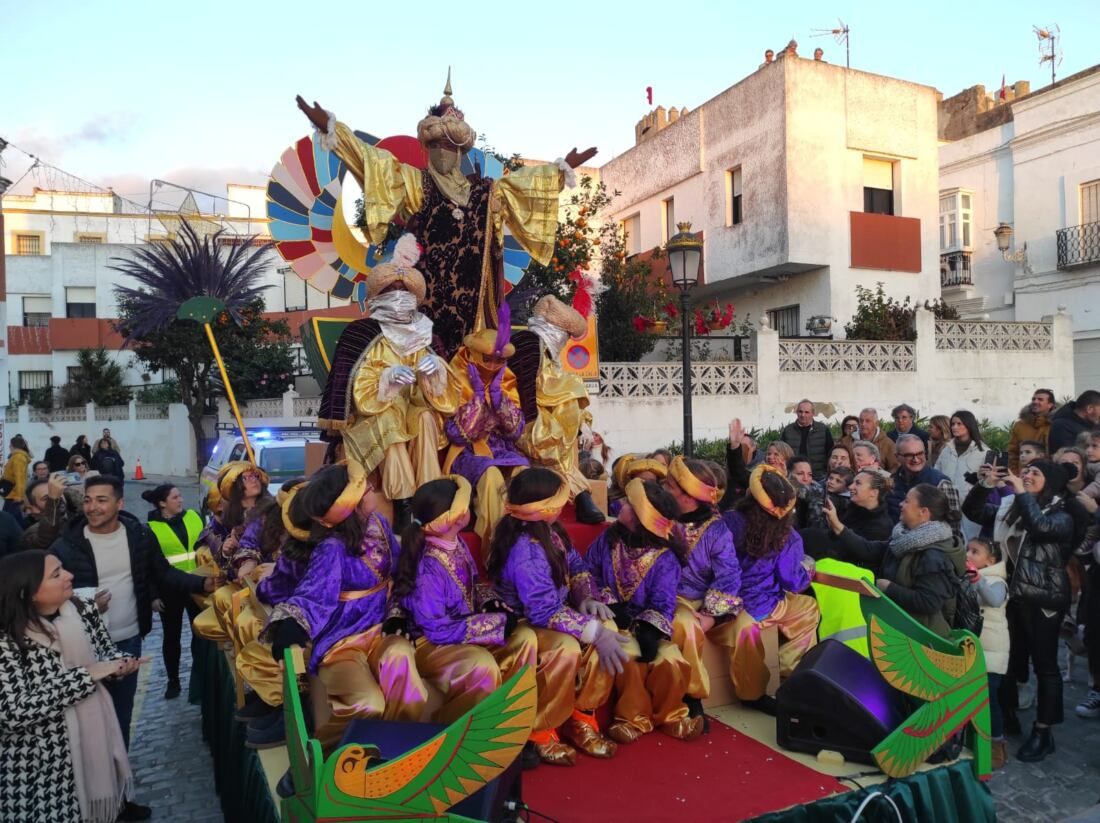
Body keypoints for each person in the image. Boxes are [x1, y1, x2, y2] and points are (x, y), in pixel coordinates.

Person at [296, 81, 595, 358]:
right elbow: (370, 161)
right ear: (427, 148)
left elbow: (526, 185)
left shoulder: (488, 191)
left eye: (450, 147)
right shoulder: (415, 182)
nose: (443, 152)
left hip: (477, 308)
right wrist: (333, 129)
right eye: (436, 145)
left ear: (461, 151)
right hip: (429, 306)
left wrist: (562, 169)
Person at [263, 463, 422, 750]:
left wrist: (398, 611)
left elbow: (397, 572)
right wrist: (293, 622)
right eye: (368, 488)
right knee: (367, 704)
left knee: (402, 660)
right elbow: (315, 591)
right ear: (354, 503)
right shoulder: (332, 547)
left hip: (380, 628)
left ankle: (397, 747)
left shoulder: (380, 524)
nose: (374, 488)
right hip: (344, 639)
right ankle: (320, 756)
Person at [50, 475, 214, 749]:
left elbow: (162, 573)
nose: (93, 507)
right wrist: (86, 605)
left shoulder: (138, 535)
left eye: (102, 500)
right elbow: (48, 589)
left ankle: (119, 781)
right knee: (88, 720)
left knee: (121, 716)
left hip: (128, 640)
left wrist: (202, 583)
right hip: (84, 645)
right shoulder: (68, 544)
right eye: (88, 500)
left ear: (119, 503)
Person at [0, 550, 152, 822]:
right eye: (57, 574)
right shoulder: (6, 641)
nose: (69, 576)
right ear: (28, 592)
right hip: (42, 765)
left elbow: (104, 651)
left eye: (64, 568)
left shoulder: (82, 608)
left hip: (96, 731)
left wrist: (119, 665)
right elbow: (11, 712)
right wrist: (86, 676)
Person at [489, 467, 629, 761]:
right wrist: (592, 631)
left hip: (554, 613)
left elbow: (577, 568)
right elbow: (541, 610)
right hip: (525, 622)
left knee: (609, 625)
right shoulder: (524, 549)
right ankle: (541, 730)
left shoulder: (551, 532)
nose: (565, 504)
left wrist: (587, 598)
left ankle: (582, 717)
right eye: (559, 499)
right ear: (544, 507)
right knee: (566, 648)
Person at [396, 477, 543, 745]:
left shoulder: (457, 543)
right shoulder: (428, 565)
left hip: (462, 630)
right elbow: (436, 629)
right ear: (456, 517)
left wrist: (489, 603)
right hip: (432, 642)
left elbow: (474, 584)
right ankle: (458, 740)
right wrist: (493, 625)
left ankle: (513, 727)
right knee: (481, 666)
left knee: (525, 640)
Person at [339, 234, 460, 531]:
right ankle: (403, 503)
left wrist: (435, 373)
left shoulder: (424, 334)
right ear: (378, 295)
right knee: (391, 422)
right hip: (371, 413)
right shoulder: (361, 333)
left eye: (404, 289)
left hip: (412, 408)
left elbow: (440, 398)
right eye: (392, 289)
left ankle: (429, 495)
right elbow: (355, 391)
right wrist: (386, 379)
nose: (399, 294)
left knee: (427, 419)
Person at [962, 460, 1078, 762]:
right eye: (1024, 470)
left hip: (1042, 600)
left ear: (1049, 481)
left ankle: (1044, 731)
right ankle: (1009, 715)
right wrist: (985, 484)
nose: (1026, 475)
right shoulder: (1011, 507)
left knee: (1045, 665)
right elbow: (973, 512)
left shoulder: (1062, 515)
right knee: (1011, 661)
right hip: (1012, 595)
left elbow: (1040, 527)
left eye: (1034, 473)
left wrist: (1019, 492)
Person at [585, 478, 702, 743]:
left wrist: (649, 630)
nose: (620, 505)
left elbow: (663, 601)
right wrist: (609, 603)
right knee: (628, 654)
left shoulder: (665, 558)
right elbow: (588, 573)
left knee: (671, 660)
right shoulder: (609, 539)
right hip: (615, 622)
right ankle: (632, 719)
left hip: (649, 625)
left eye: (627, 504)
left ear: (640, 517)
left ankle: (671, 715)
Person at [719, 465, 819, 713]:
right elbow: (792, 581)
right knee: (808, 608)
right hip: (760, 607)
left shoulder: (726, 521)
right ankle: (789, 676)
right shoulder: (788, 535)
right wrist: (808, 566)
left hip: (719, 602)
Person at [823, 483, 966, 637]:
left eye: (906, 501)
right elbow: (869, 550)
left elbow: (929, 602)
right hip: (898, 630)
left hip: (920, 640)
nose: (900, 504)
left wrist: (889, 587)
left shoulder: (934, 555)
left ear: (923, 512)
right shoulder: (903, 540)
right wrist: (837, 525)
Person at [664, 457, 742, 720]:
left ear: (688, 496)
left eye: (670, 487)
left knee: (748, 627)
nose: (664, 491)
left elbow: (728, 574)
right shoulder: (658, 519)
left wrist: (712, 614)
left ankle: (752, 694)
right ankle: (693, 695)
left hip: (702, 600)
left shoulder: (717, 530)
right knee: (685, 624)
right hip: (665, 597)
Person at [517, 295, 604, 524]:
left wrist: (581, 421)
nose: (565, 342)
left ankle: (580, 494)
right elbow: (531, 391)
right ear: (555, 330)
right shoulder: (527, 343)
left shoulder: (548, 354)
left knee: (564, 429)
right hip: (526, 422)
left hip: (549, 422)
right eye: (565, 336)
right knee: (558, 431)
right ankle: (581, 494)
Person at [444, 319, 530, 546]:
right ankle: (495, 545)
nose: (492, 365)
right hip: (466, 452)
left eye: (500, 360)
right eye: (487, 359)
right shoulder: (453, 379)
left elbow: (515, 432)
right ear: (472, 354)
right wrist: (479, 397)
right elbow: (457, 434)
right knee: (490, 474)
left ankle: (526, 542)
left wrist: (498, 396)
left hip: (501, 448)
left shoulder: (506, 381)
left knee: (522, 471)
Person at [142, 484, 205, 700]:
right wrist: (153, 596)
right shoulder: (150, 528)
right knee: (172, 637)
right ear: (162, 503)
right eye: (175, 497)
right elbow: (148, 567)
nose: (181, 500)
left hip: (198, 586)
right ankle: (173, 681)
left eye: (180, 496)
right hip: (170, 590)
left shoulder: (195, 517)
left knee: (203, 634)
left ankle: (200, 676)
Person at [966, 536, 1009, 770]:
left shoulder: (998, 581)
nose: (969, 555)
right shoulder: (969, 578)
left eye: (975, 552)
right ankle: (975, 741)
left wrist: (978, 579)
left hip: (993, 650)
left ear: (990, 560)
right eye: (968, 550)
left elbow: (993, 600)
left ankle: (996, 746)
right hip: (975, 648)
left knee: (990, 699)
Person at [888, 433, 963, 543]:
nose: (916, 459)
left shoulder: (941, 482)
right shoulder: (892, 481)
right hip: (897, 545)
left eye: (920, 454)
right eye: (909, 455)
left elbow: (954, 526)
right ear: (897, 457)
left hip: (932, 549)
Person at [935, 410, 986, 540]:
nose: (955, 427)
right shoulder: (946, 450)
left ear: (969, 425)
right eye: (953, 424)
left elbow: (987, 482)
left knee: (970, 541)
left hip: (969, 506)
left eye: (959, 423)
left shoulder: (983, 452)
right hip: (946, 505)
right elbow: (937, 473)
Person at [20, 474, 81, 552]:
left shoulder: (79, 517)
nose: (57, 497)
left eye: (58, 493)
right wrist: (52, 500)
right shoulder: (31, 534)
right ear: (35, 508)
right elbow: (44, 541)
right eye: (46, 498)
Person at [780, 399, 834, 478]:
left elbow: (830, 453)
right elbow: (782, 454)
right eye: (800, 412)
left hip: (818, 476)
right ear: (797, 412)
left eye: (806, 412)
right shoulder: (788, 431)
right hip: (794, 477)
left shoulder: (823, 429)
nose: (803, 415)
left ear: (813, 413)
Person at [1007, 389, 1057, 473]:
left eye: (1040, 399)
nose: (1035, 401)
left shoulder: (1055, 425)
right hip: (1023, 475)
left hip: (1048, 475)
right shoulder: (1020, 425)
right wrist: (1015, 474)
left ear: (1050, 405)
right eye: (1033, 399)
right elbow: (1013, 453)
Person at [2, 434, 32, 526]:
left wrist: (19, 495)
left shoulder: (18, 457)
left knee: (9, 521)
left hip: (14, 495)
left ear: (11, 445)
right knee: (9, 520)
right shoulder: (16, 456)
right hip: (13, 494)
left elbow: (20, 477)